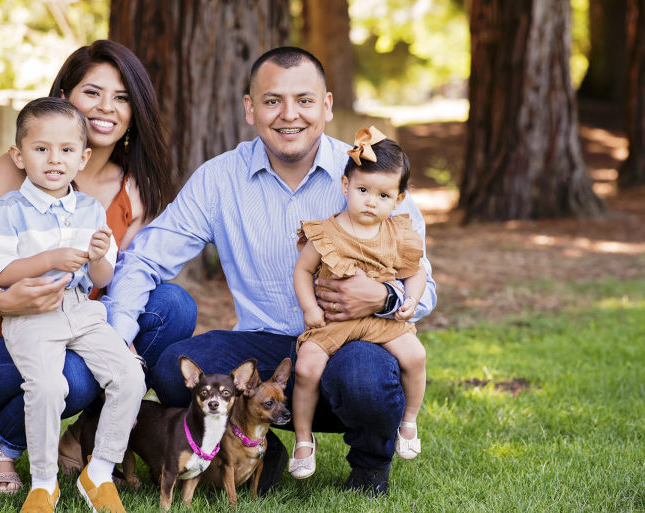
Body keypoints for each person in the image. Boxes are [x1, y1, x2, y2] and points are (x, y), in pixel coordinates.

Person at [102, 46, 437, 496]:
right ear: (250, 108)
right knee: (170, 369)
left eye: (304, 100)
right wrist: (120, 333)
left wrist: (386, 298)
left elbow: (424, 282)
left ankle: (370, 465)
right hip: (263, 345)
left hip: (351, 340)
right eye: (272, 100)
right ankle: (258, 447)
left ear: (327, 105)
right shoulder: (219, 179)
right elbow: (144, 257)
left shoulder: (371, 175)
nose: (289, 115)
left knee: (364, 375)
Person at [0, 40, 195, 496]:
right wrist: (2, 298)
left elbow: (117, 282)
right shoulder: (18, 171)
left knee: (172, 305)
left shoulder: (133, 189)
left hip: (71, 328)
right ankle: (1, 439)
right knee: (70, 375)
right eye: (92, 92)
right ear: (65, 95)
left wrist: (124, 336)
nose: (106, 108)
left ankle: (84, 438)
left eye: (122, 97)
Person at [0, 97, 144, 513]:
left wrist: (98, 256)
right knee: (49, 386)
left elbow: (103, 280)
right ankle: (44, 483)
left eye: (67, 150)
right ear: (19, 155)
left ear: (83, 157)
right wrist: (51, 258)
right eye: (41, 149)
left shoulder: (90, 209)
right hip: (32, 312)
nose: (55, 160)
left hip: (80, 308)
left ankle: (100, 472)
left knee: (129, 376)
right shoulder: (11, 208)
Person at [288, 126, 427, 480]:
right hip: (333, 323)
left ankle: (408, 421)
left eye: (383, 195)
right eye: (363, 190)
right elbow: (302, 272)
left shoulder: (398, 233)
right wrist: (310, 309)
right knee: (305, 368)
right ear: (345, 186)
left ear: (398, 199)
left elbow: (416, 272)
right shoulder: (326, 233)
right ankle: (304, 439)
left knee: (416, 355)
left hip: (380, 321)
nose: (371, 202)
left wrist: (410, 299)